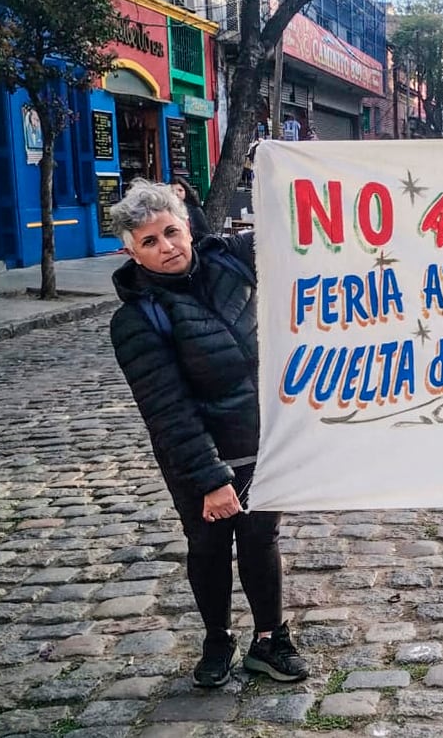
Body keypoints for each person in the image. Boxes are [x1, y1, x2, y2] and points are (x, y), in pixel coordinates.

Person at [107, 180, 309, 689]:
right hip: (197, 453)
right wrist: (211, 479)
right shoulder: (136, 320)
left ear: (188, 227)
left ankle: (269, 640)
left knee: (261, 539)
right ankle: (217, 637)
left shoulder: (232, 260)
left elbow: (297, 227)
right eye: (149, 242)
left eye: (171, 232)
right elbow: (166, 408)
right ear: (130, 251)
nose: (166, 247)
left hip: (260, 439)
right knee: (209, 544)